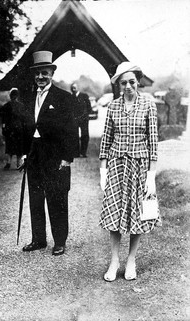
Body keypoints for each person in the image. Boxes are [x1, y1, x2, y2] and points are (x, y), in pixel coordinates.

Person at [99, 62, 161, 282]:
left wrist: (151, 176)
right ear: (118, 84)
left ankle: (131, 260)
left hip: (139, 166)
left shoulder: (148, 105)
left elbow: (153, 142)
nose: (128, 86)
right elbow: (106, 138)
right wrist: (103, 169)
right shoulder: (113, 106)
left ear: (138, 82)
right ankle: (115, 261)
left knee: (137, 213)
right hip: (116, 165)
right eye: (123, 82)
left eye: (132, 82)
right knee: (114, 212)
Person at [18, 51, 77, 255]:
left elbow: (71, 130)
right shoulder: (28, 97)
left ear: (51, 73)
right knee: (35, 198)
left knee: (57, 198)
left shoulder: (63, 98)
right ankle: (38, 239)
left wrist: (67, 158)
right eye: (37, 74)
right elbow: (25, 128)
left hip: (55, 156)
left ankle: (59, 241)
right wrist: (24, 153)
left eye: (45, 73)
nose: (40, 77)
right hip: (34, 155)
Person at [2, 88, 25, 169]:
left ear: (10, 96)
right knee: (19, 146)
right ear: (17, 96)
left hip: (9, 128)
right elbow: (23, 119)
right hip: (18, 128)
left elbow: (3, 120)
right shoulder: (21, 106)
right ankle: (18, 164)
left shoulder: (6, 106)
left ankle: (8, 162)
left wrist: (3, 129)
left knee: (9, 145)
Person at [71, 82, 93, 158]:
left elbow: (89, 107)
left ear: (78, 88)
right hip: (75, 119)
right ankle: (76, 153)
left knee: (85, 135)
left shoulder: (84, 96)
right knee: (74, 136)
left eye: (75, 87)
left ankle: (83, 152)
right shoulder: (71, 97)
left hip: (84, 119)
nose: (73, 89)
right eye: (72, 88)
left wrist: (86, 115)